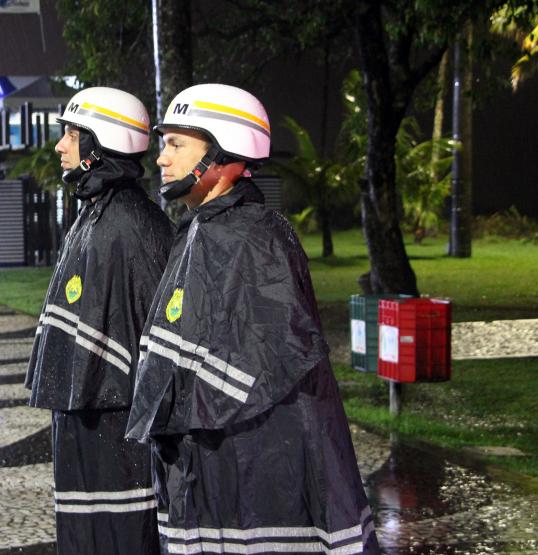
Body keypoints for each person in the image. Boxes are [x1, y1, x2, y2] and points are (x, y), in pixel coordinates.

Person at [126, 84, 380, 554]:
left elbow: (258, 370)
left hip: (252, 475)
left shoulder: (256, 239)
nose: (162, 159)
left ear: (223, 154)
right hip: (212, 472)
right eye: (164, 145)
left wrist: (177, 417)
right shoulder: (204, 228)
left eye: (177, 144)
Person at [25, 87, 173, 554]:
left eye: (72, 135)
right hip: (86, 422)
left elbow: (161, 345)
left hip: (120, 433)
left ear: (100, 143)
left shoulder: (133, 224)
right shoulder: (94, 213)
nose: (60, 146)